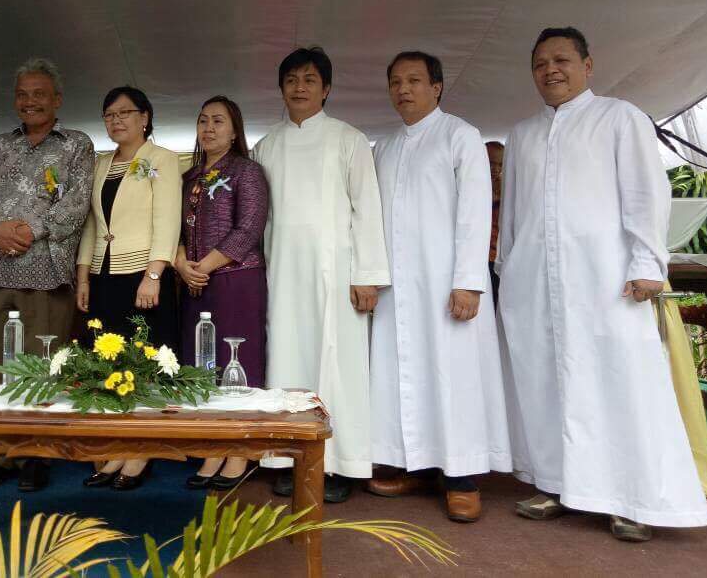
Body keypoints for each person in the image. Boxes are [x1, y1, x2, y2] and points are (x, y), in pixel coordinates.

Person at [497, 26, 707, 540]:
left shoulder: (620, 118)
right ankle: (557, 484)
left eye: (561, 60)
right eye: (540, 63)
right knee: (546, 381)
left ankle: (633, 499)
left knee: (621, 382)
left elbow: (645, 194)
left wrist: (647, 264)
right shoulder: (522, 134)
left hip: (607, 280)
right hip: (535, 282)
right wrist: (509, 270)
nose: (550, 70)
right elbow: (513, 214)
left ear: (587, 65)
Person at [366, 51, 511, 522]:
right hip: (397, 287)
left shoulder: (460, 136)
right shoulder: (384, 147)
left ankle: (461, 476)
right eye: (395, 81)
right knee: (403, 373)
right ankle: (416, 465)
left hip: (447, 283)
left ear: (437, 87)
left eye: (414, 80)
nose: (403, 89)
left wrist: (468, 281)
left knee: (452, 375)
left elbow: (475, 212)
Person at [252, 46, 390, 503]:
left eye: (309, 80)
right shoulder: (266, 146)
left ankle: (339, 463)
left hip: (338, 273)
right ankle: (287, 459)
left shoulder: (349, 139)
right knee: (286, 359)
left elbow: (367, 208)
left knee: (339, 366)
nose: (300, 88)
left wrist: (367, 275)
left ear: (326, 89)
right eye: (291, 80)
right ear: (280, 88)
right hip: (283, 272)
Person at [0, 58, 94, 492]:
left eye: (39, 94)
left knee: (41, 364)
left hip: (48, 270)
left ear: (57, 99)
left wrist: (28, 231)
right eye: (22, 94)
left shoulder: (77, 144)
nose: (30, 101)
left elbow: (77, 204)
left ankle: (35, 454)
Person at [76, 86, 180, 490]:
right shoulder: (100, 163)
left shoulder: (161, 159)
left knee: (145, 360)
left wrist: (154, 274)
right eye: (109, 114)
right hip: (104, 273)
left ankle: (141, 451)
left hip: (142, 273)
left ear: (145, 118)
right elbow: (92, 223)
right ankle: (118, 444)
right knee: (111, 361)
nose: (116, 120)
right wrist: (83, 275)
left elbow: (167, 219)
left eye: (124, 112)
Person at [175, 95, 269, 490]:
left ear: (234, 132)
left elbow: (248, 229)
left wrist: (204, 266)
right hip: (194, 282)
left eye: (218, 121)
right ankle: (214, 444)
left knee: (238, 360)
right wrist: (182, 263)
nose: (208, 128)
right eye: (203, 120)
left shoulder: (248, 171)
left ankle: (240, 449)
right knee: (202, 363)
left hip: (236, 279)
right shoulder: (188, 177)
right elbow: (173, 229)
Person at [485, 141, 504, 307]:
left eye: (500, 165)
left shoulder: (506, 186)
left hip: (499, 258)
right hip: (481, 258)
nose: (495, 170)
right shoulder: (472, 185)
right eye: (491, 163)